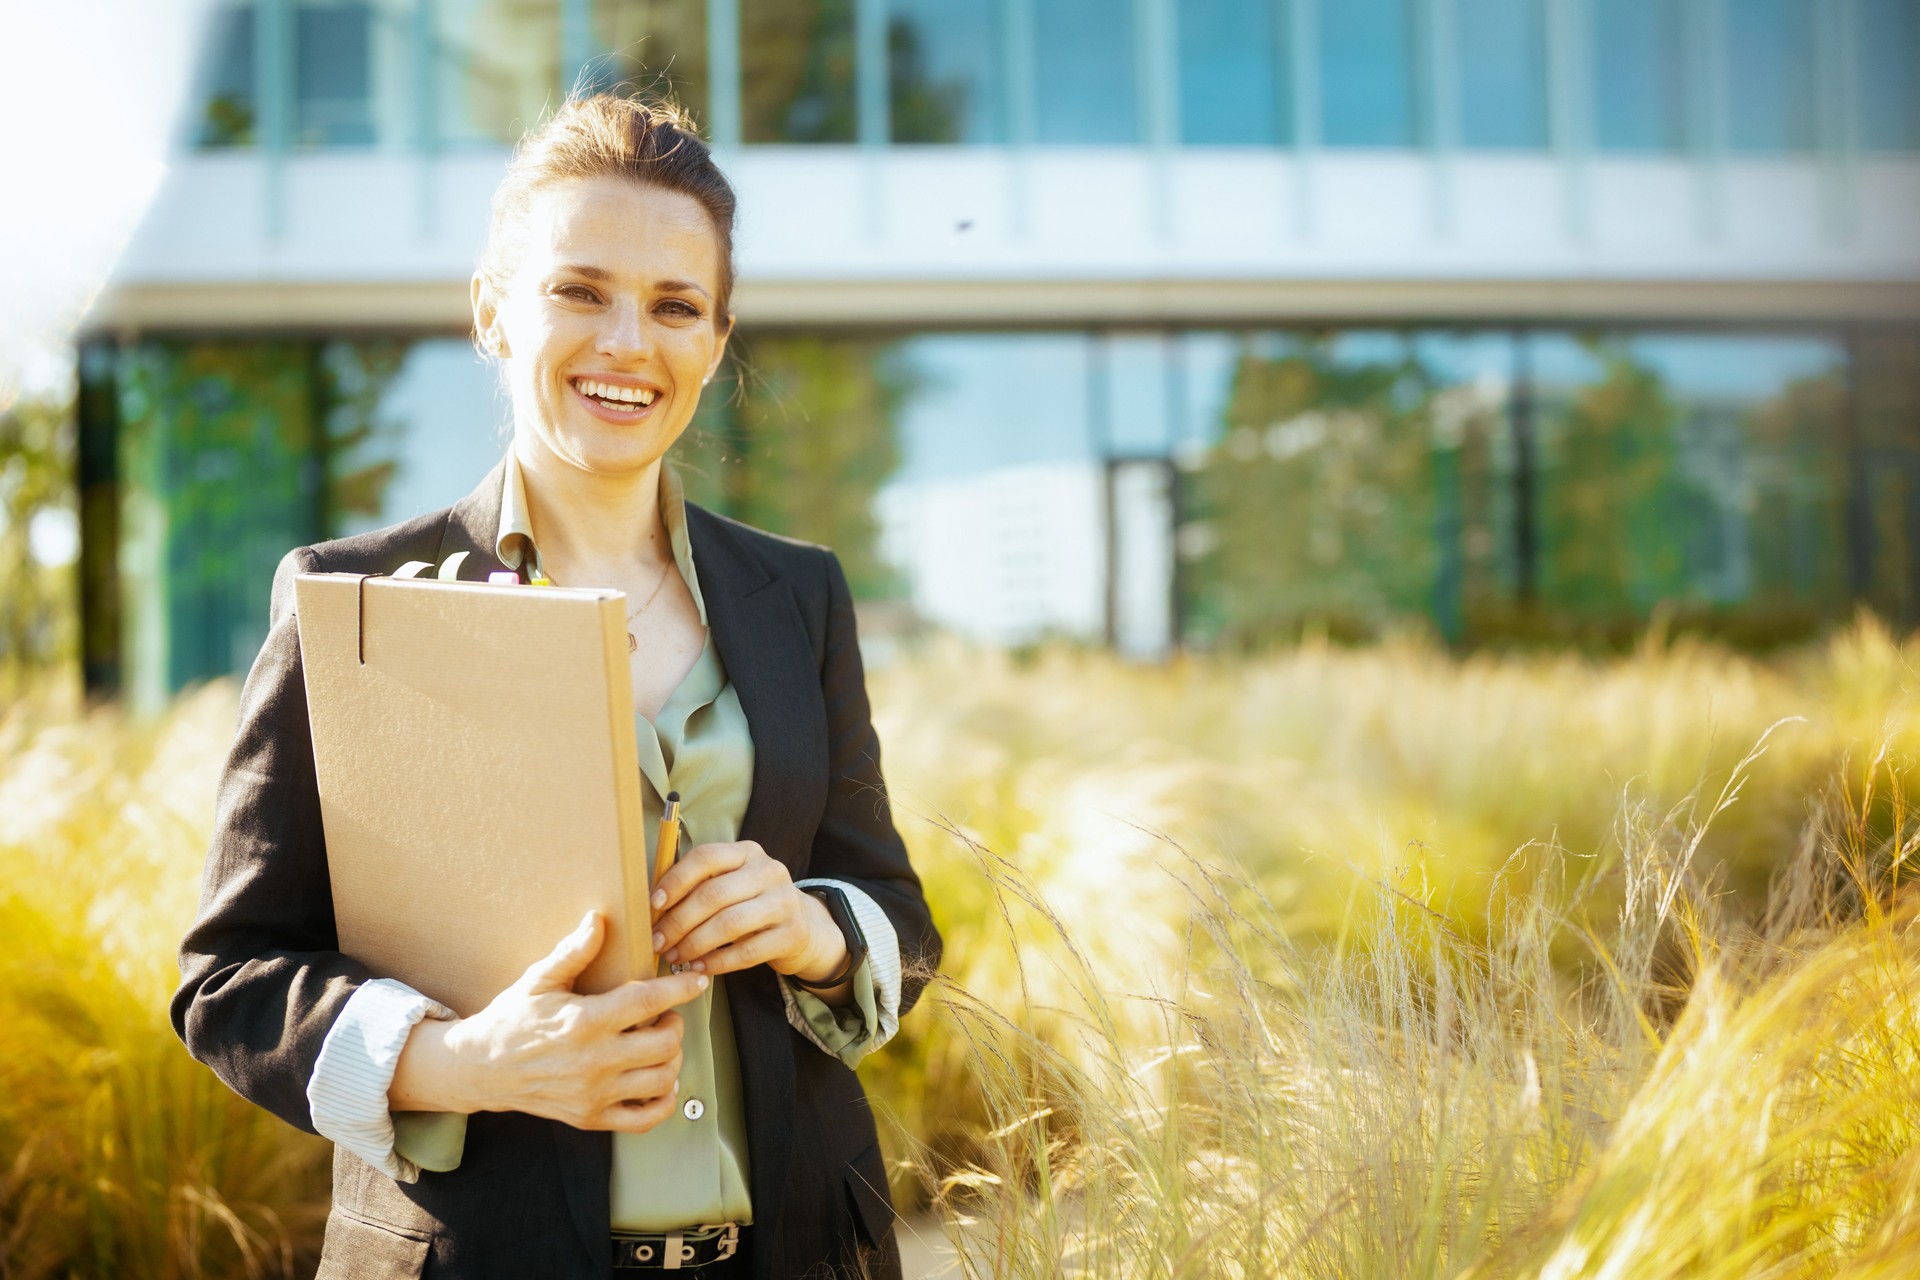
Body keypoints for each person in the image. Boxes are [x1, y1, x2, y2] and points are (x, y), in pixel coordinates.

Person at [171, 93, 941, 1279]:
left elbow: (896, 913)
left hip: (796, 1247)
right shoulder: (351, 597)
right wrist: (464, 1059)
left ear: (716, 341)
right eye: (580, 290)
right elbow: (231, 977)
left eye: (675, 306)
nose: (628, 342)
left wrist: (810, 926)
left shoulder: (801, 596)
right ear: (493, 309)